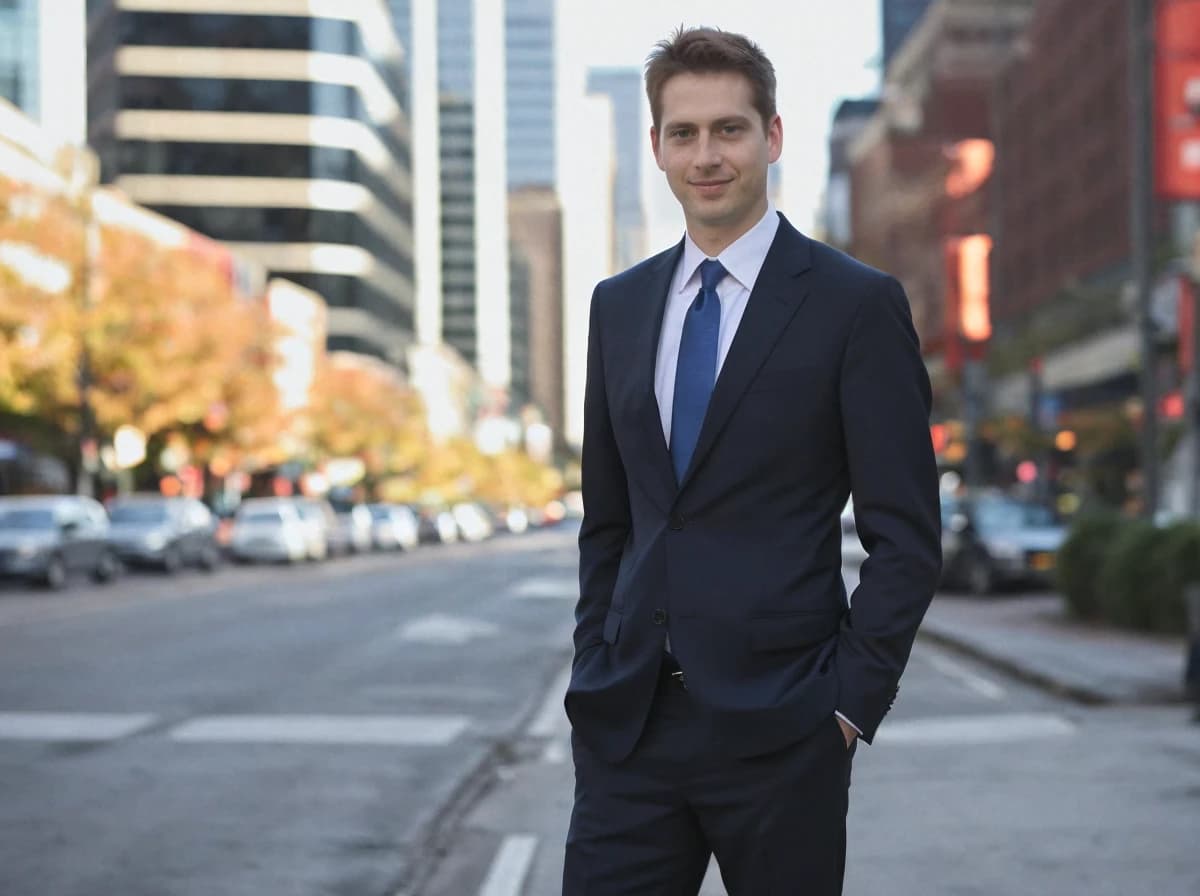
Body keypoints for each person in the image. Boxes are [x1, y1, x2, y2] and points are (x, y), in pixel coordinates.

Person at [563, 26, 942, 896]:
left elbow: (909, 535)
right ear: (656, 146)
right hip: (629, 729)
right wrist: (594, 662)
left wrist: (846, 708)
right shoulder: (617, 308)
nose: (707, 155)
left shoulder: (856, 305)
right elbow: (609, 522)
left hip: (786, 732)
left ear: (772, 137)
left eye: (729, 129)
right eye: (684, 133)